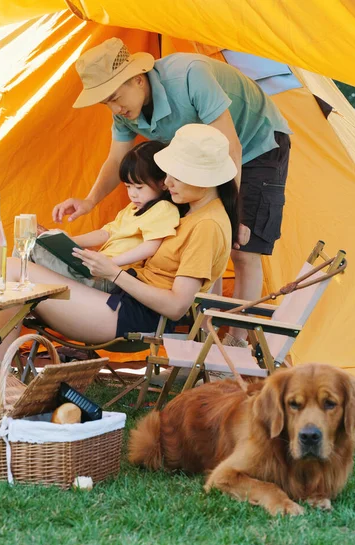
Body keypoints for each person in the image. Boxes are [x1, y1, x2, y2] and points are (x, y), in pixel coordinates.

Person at [52, 38, 292, 346]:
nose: (114, 108)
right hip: (202, 156)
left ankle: (236, 342)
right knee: (201, 241)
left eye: (115, 98)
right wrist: (88, 201)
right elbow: (115, 160)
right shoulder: (125, 109)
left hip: (255, 144)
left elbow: (229, 146)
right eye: (106, 103)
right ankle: (203, 339)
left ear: (138, 79)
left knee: (240, 248)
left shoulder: (192, 75)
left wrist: (233, 216)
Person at [0, 124, 240, 358]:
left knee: (11, 269)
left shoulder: (207, 226)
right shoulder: (192, 211)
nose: (167, 182)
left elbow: (176, 306)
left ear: (204, 180)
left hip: (132, 316)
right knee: (9, 268)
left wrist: (114, 273)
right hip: (120, 300)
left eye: (176, 175)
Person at [33, 140, 181, 291]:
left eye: (139, 187)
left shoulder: (163, 208)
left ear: (163, 183)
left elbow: (151, 246)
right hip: (98, 269)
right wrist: (67, 241)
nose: (132, 194)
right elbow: (106, 233)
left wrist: (111, 263)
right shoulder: (132, 208)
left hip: (113, 278)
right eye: (128, 187)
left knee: (33, 252)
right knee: (34, 244)